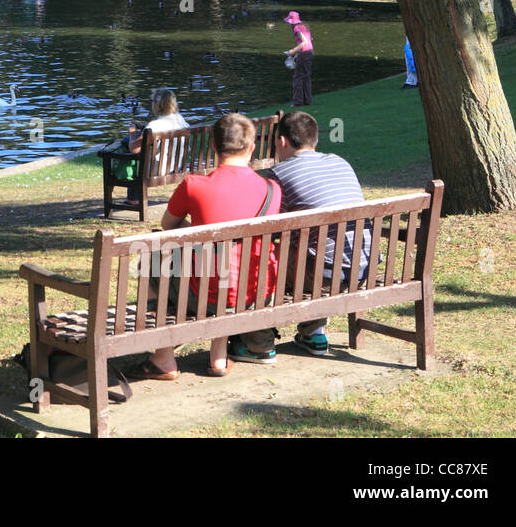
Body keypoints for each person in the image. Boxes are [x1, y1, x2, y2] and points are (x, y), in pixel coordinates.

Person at [131, 113, 281, 379]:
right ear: (252, 148)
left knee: (153, 258)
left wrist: (200, 230)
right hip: (256, 293)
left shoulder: (194, 185)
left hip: (209, 296)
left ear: (213, 146)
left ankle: (164, 355)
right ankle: (218, 356)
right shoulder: (272, 189)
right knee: (227, 262)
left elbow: (168, 225)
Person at [265, 111, 368, 357]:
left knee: (263, 255)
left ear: (282, 141)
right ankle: (314, 332)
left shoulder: (279, 174)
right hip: (364, 267)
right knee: (314, 247)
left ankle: (257, 338)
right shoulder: (340, 161)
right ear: (315, 140)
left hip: (324, 274)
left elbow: (269, 228)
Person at [119, 88, 189, 207]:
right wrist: (143, 126)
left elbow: (134, 149)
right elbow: (163, 127)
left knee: (127, 147)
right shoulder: (179, 119)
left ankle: (133, 198)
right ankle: (134, 196)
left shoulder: (154, 126)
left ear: (157, 104)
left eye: (152, 101)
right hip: (177, 166)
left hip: (156, 170)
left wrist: (132, 133)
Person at [283, 10, 313, 105]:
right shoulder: (304, 26)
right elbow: (309, 40)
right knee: (306, 78)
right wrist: (297, 54)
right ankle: (308, 101)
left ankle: (298, 102)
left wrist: (292, 51)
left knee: (298, 78)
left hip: (304, 53)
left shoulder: (296, 28)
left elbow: (304, 42)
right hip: (309, 53)